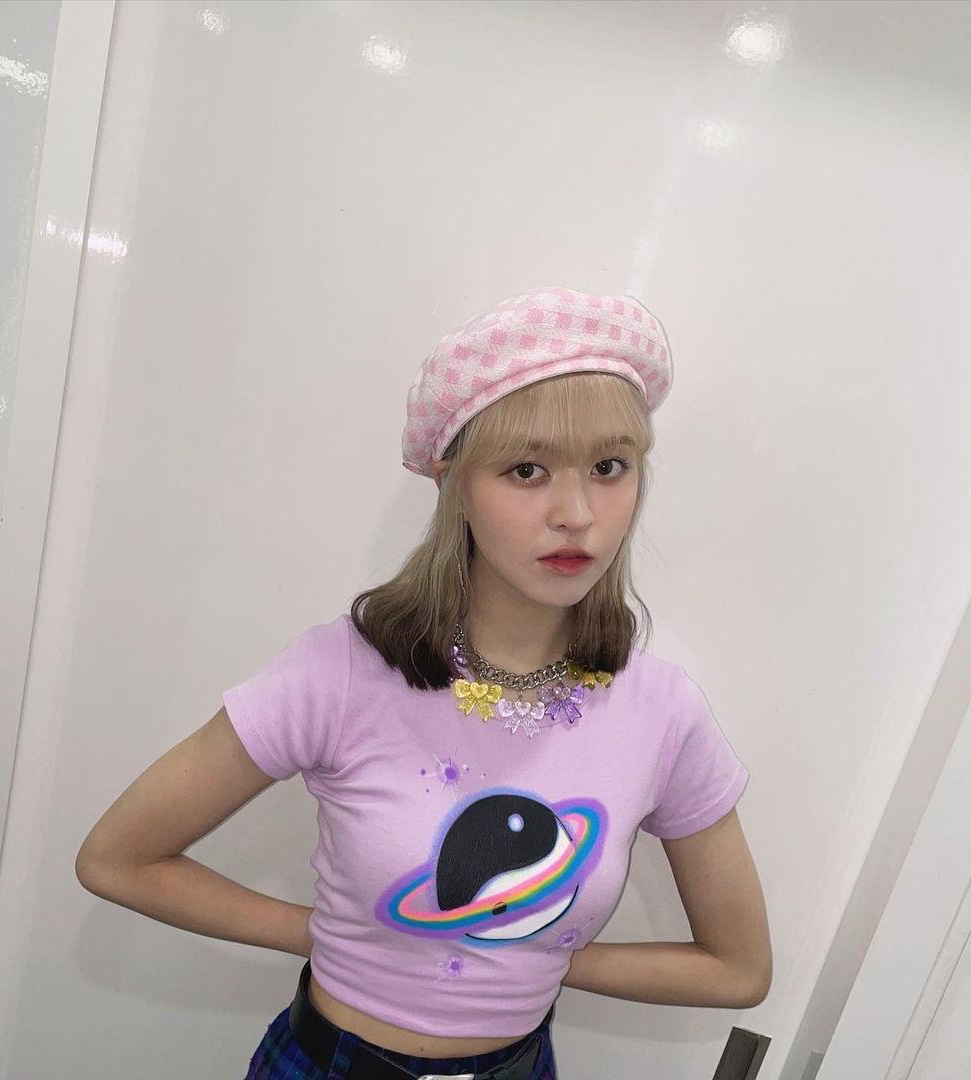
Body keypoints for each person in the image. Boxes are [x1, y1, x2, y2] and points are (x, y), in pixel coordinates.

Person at [75, 285, 772, 1080]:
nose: (577, 513)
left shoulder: (662, 712)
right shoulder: (341, 673)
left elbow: (738, 968)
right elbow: (118, 859)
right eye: (526, 469)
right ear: (454, 484)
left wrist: (535, 950)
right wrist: (330, 933)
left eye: (609, 467)